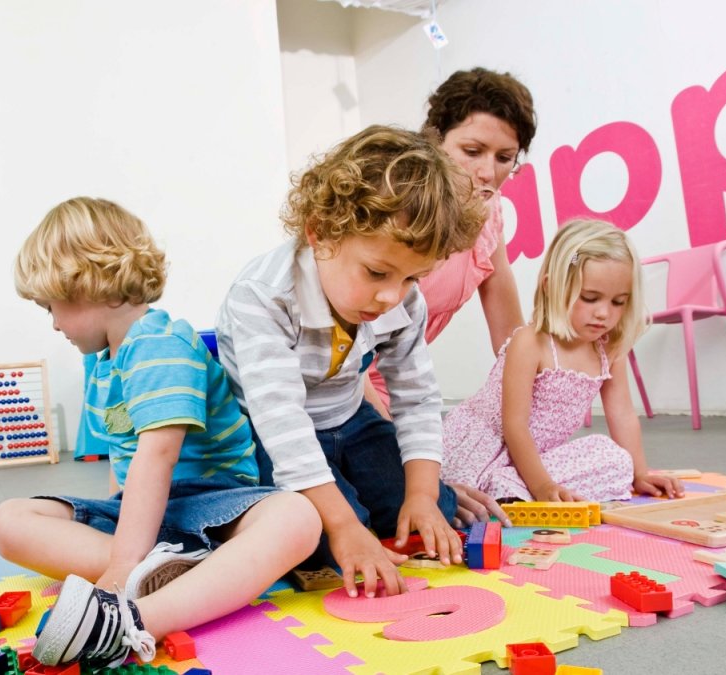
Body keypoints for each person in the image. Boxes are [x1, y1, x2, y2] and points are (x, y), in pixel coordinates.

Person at [0, 197, 321, 669]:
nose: (54, 324)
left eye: (52, 307)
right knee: (11, 520)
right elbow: (125, 465)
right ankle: (188, 577)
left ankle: (134, 618)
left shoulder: (159, 343)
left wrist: (121, 567)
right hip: (147, 516)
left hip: (211, 502)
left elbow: (158, 456)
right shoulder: (106, 361)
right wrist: (124, 540)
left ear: (84, 284)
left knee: (297, 517)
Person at [216, 125, 509, 601]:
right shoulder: (263, 295)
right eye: (376, 272)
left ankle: (397, 502)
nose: (391, 295)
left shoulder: (401, 301)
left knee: (427, 506)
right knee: (320, 539)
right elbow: (282, 423)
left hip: (351, 420)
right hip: (272, 437)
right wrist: (342, 524)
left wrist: (422, 495)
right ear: (320, 232)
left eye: (413, 277)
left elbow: (416, 397)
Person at [440, 219, 685, 502]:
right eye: (590, 298)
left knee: (617, 460)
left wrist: (640, 472)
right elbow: (514, 426)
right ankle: (498, 489)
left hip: (534, 458)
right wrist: (542, 486)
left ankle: (509, 489)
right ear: (551, 287)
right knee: (490, 480)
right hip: (483, 448)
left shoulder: (610, 348)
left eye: (619, 302)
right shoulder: (531, 342)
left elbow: (623, 414)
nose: (604, 313)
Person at [367, 67, 537, 416]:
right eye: (472, 151)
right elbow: (341, 346)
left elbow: (510, 340)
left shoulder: (489, 211)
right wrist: (384, 433)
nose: (488, 173)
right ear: (434, 141)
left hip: (398, 386)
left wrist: (537, 414)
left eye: (505, 158)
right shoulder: (395, 203)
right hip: (337, 379)